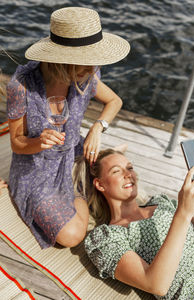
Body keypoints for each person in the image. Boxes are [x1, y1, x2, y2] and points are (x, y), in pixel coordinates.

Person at [6, 7, 130, 249]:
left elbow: (115, 101)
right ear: (61, 58)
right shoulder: (21, 86)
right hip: (37, 170)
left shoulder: (87, 73)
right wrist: (38, 142)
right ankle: (83, 194)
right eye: (85, 62)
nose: (92, 69)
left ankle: (84, 187)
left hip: (74, 154)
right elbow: (16, 142)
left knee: (122, 184)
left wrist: (97, 127)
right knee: (72, 236)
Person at [79, 149, 194, 299]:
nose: (128, 174)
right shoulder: (105, 238)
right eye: (116, 171)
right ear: (100, 184)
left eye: (130, 168)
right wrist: (183, 214)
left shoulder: (161, 202)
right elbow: (156, 284)